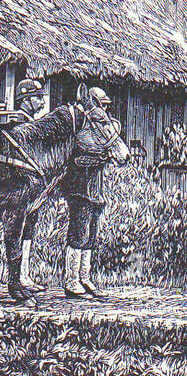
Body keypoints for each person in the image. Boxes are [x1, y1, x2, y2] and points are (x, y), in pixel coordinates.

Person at [61, 87, 122, 300]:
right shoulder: (83, 125)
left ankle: (85, 278)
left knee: (91, 235)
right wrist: (102, 154)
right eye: (102, 103)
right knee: (78, 234)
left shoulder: (103, 123)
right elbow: (80, 153)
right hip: (80, 188)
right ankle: (71, 281)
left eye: (106, 104)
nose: (105, 107)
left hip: (95, 189)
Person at [10, 78, 49, 292]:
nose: (41, 102)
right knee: (19, 229)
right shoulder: (19, 124)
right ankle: (18, 279)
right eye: (37, 98)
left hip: (32, 188)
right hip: (19, 187)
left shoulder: (31, 123)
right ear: (25, 100)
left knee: (29, 229)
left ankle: (24, 276)